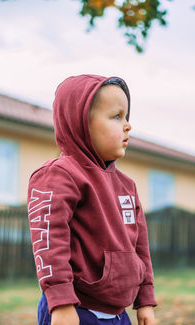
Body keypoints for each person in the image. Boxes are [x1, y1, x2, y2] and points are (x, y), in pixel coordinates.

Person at [27, 74, 157, 325]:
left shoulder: (127, 186)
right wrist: (61, 302)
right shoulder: (60, 174)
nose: (127, 125)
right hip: (77, 310)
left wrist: (145, 300)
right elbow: (49, 242)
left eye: (127, 117)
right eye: (117, 116)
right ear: (81, 122)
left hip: (119, 314)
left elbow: (140, 248)